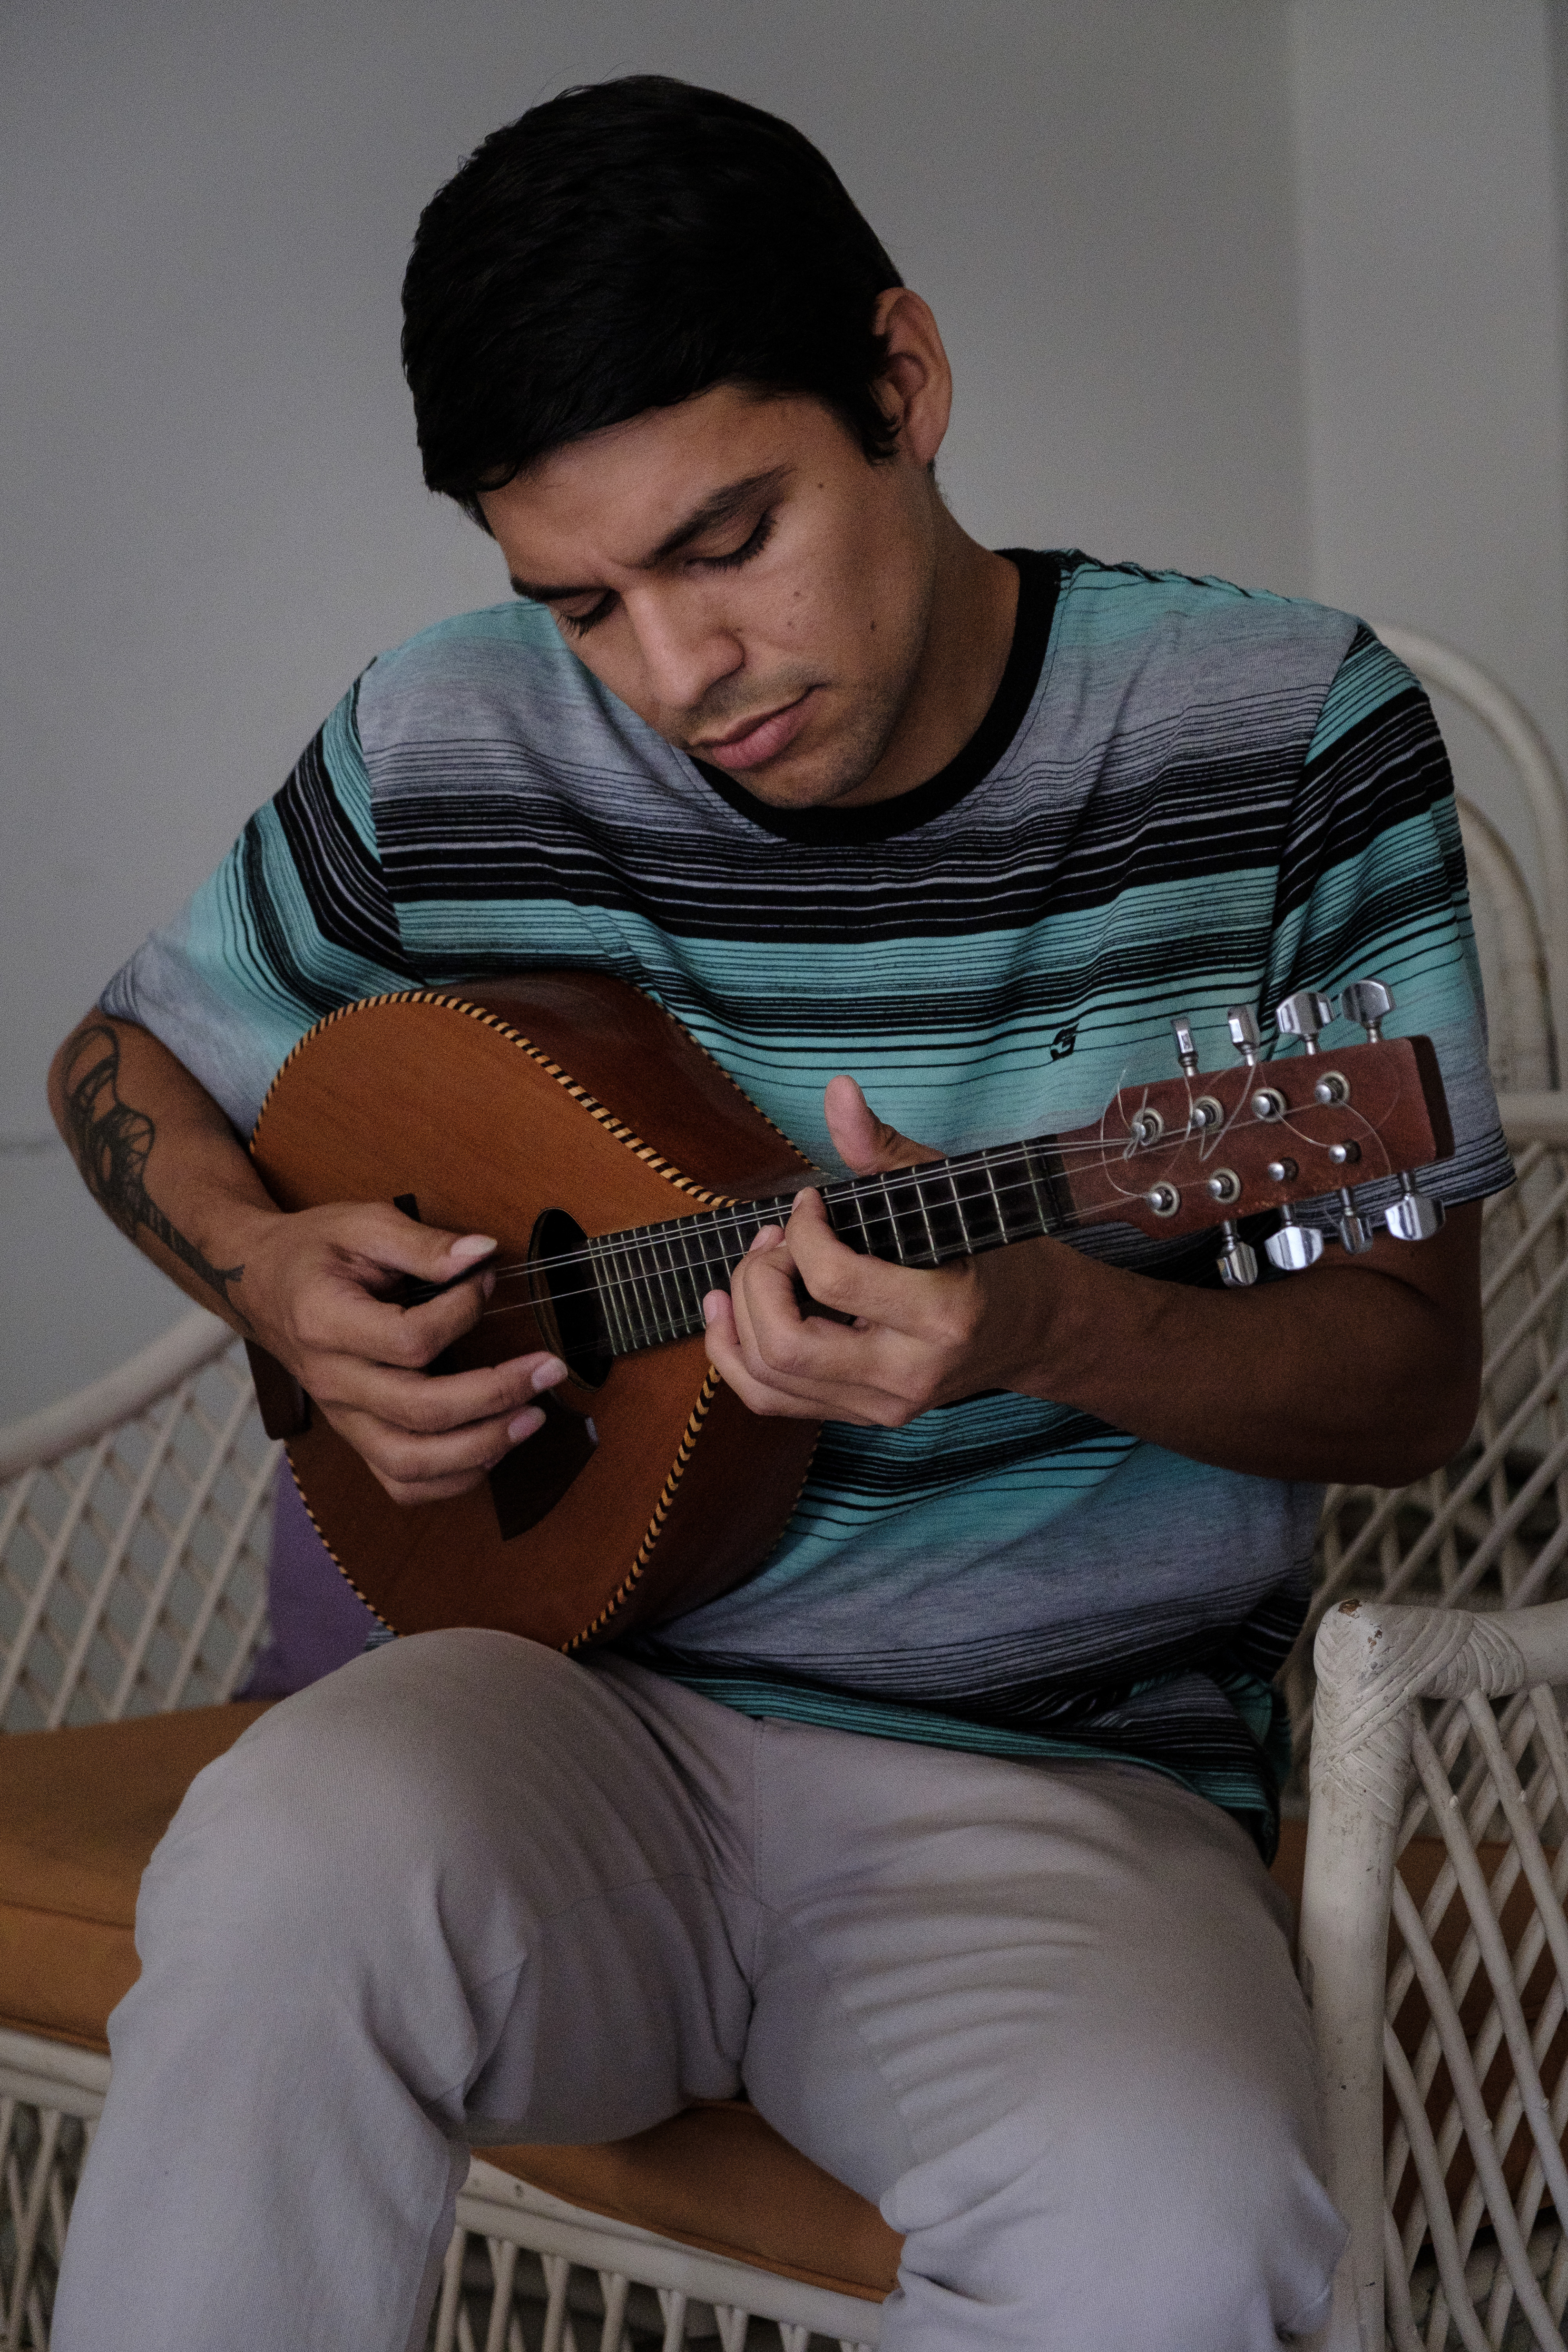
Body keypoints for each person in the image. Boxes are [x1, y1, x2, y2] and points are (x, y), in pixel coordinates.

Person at [47, 75, 1508, 2352]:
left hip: (1057, 1793)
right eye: (582, 602)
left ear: (903, 386)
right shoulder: (449, 737)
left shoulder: (1285, 734)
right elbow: (121, 1064)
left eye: (727, 542)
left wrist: (1043, 1321)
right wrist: (260, 1266)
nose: (674, 673)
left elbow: (1418, 1370)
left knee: (1179, 2233)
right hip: (564, 1724)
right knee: (291, 1868)